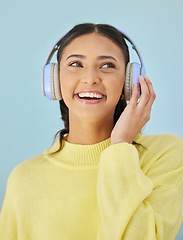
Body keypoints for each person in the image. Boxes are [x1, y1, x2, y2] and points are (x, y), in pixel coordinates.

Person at [0, 23, 183, 240]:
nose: (91, 78)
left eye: (107, 65)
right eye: (76, 64)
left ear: (129, 82)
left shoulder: (165, 154)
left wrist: (121, 145)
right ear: (54, 80)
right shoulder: (24, 179)